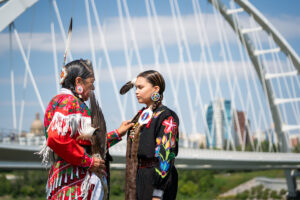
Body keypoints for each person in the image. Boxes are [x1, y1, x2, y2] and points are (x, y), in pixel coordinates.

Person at [39, 59, 133, 200]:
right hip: (75, 181)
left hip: (69, 178)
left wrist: (118, 133)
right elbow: (56, 138)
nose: (93, 88)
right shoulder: (69, 102)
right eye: (91, 82)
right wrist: (88, 161)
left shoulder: (61, 101)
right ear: (78, 82)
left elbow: (86, 144)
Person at [120, 70, 179, 200]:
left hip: (157, 181)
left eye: (141, 87)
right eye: (136, 87)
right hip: (141, 177)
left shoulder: (166, 116)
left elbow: (166, 154)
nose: (136, 91)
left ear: (155, 89)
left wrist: (158, 192)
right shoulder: (141, 116)